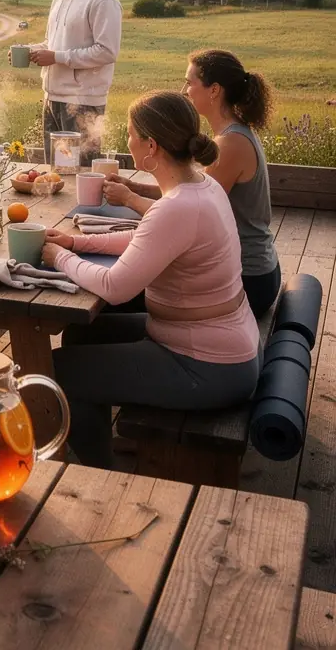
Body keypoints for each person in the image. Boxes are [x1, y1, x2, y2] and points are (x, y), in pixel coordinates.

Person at [42, 91, 261, 468]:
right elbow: (152, 241)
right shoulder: (200, 187)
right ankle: (102, 441)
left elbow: (116, 287)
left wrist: (58, 256)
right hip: (218, 345)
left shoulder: (178, 206)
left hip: (207, 366)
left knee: (56, 371)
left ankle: (100, 471)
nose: (127, 141)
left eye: (131, 134)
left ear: (151, 146)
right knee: (82, 332)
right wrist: (77, 241)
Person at [104, 49, 281, 319]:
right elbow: (186, 194)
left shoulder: (230, 144)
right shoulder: (232, 134)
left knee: (114, 297)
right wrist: (136, 188)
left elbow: (191, 213)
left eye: (190, 82)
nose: (184, 90)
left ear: (214, 90)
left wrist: (129, 199)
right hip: (251, 271)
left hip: (248, 280)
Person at [12, 0, 122, 167]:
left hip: (82, 102)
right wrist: (29, 50)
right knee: (55, 172)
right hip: (52, 98)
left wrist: (56, 57)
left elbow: (107, 51)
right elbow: (52, 44)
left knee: (78, 172)